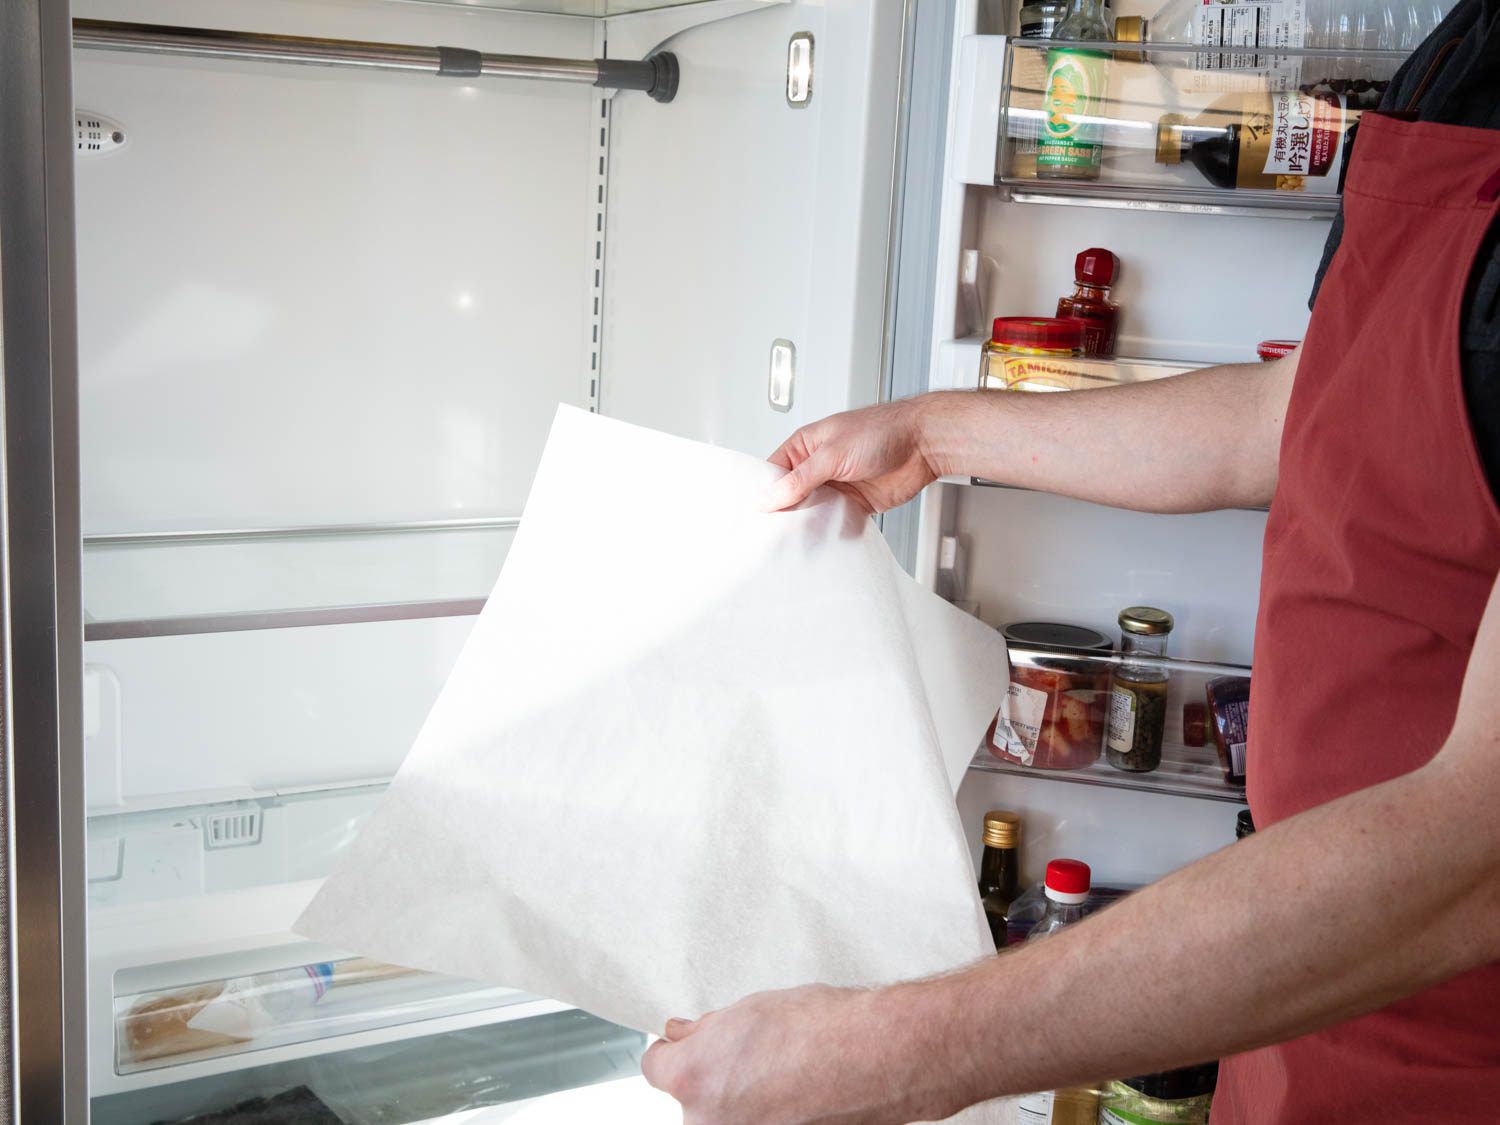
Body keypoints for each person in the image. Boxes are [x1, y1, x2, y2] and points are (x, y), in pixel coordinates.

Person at [639, 2, 1500, 1122]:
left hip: (1442, 1043)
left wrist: (887, 1055)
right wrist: (934, 431)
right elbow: (1296, 416)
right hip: (1285, 1020)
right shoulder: (1463, 68)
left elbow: (1474, 854)